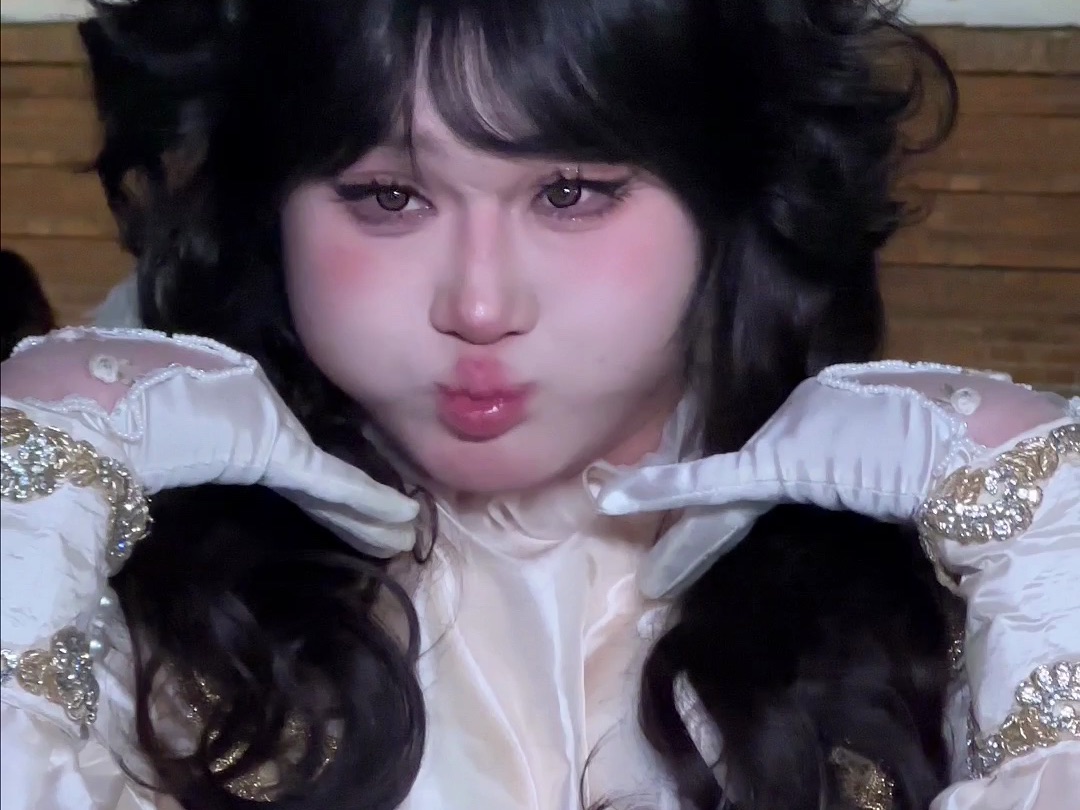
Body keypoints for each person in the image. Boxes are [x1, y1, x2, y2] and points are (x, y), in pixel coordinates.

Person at [0, 0, 1076, 808]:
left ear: (731, 195)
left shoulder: (942, 594)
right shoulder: (125, 596)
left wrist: (1043, 539)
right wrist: (30, 500)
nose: (480, 305)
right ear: (265, 210)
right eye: (388, 196)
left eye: (570, 194)